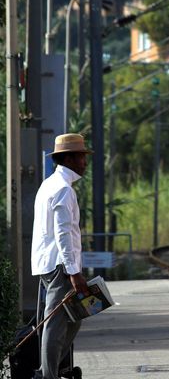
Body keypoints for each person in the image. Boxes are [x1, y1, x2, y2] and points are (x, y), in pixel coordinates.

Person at [31, 133, 92, 379]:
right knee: (55, 324)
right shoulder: (64, 190)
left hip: (48, 264)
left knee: (75, 316)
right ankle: (47, 375)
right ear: (68, 158)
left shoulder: (49, 184)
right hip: (61, 267)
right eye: (80, 157)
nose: (84, 162)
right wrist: (74, 272)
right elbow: (63, 234)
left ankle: (52, 369)